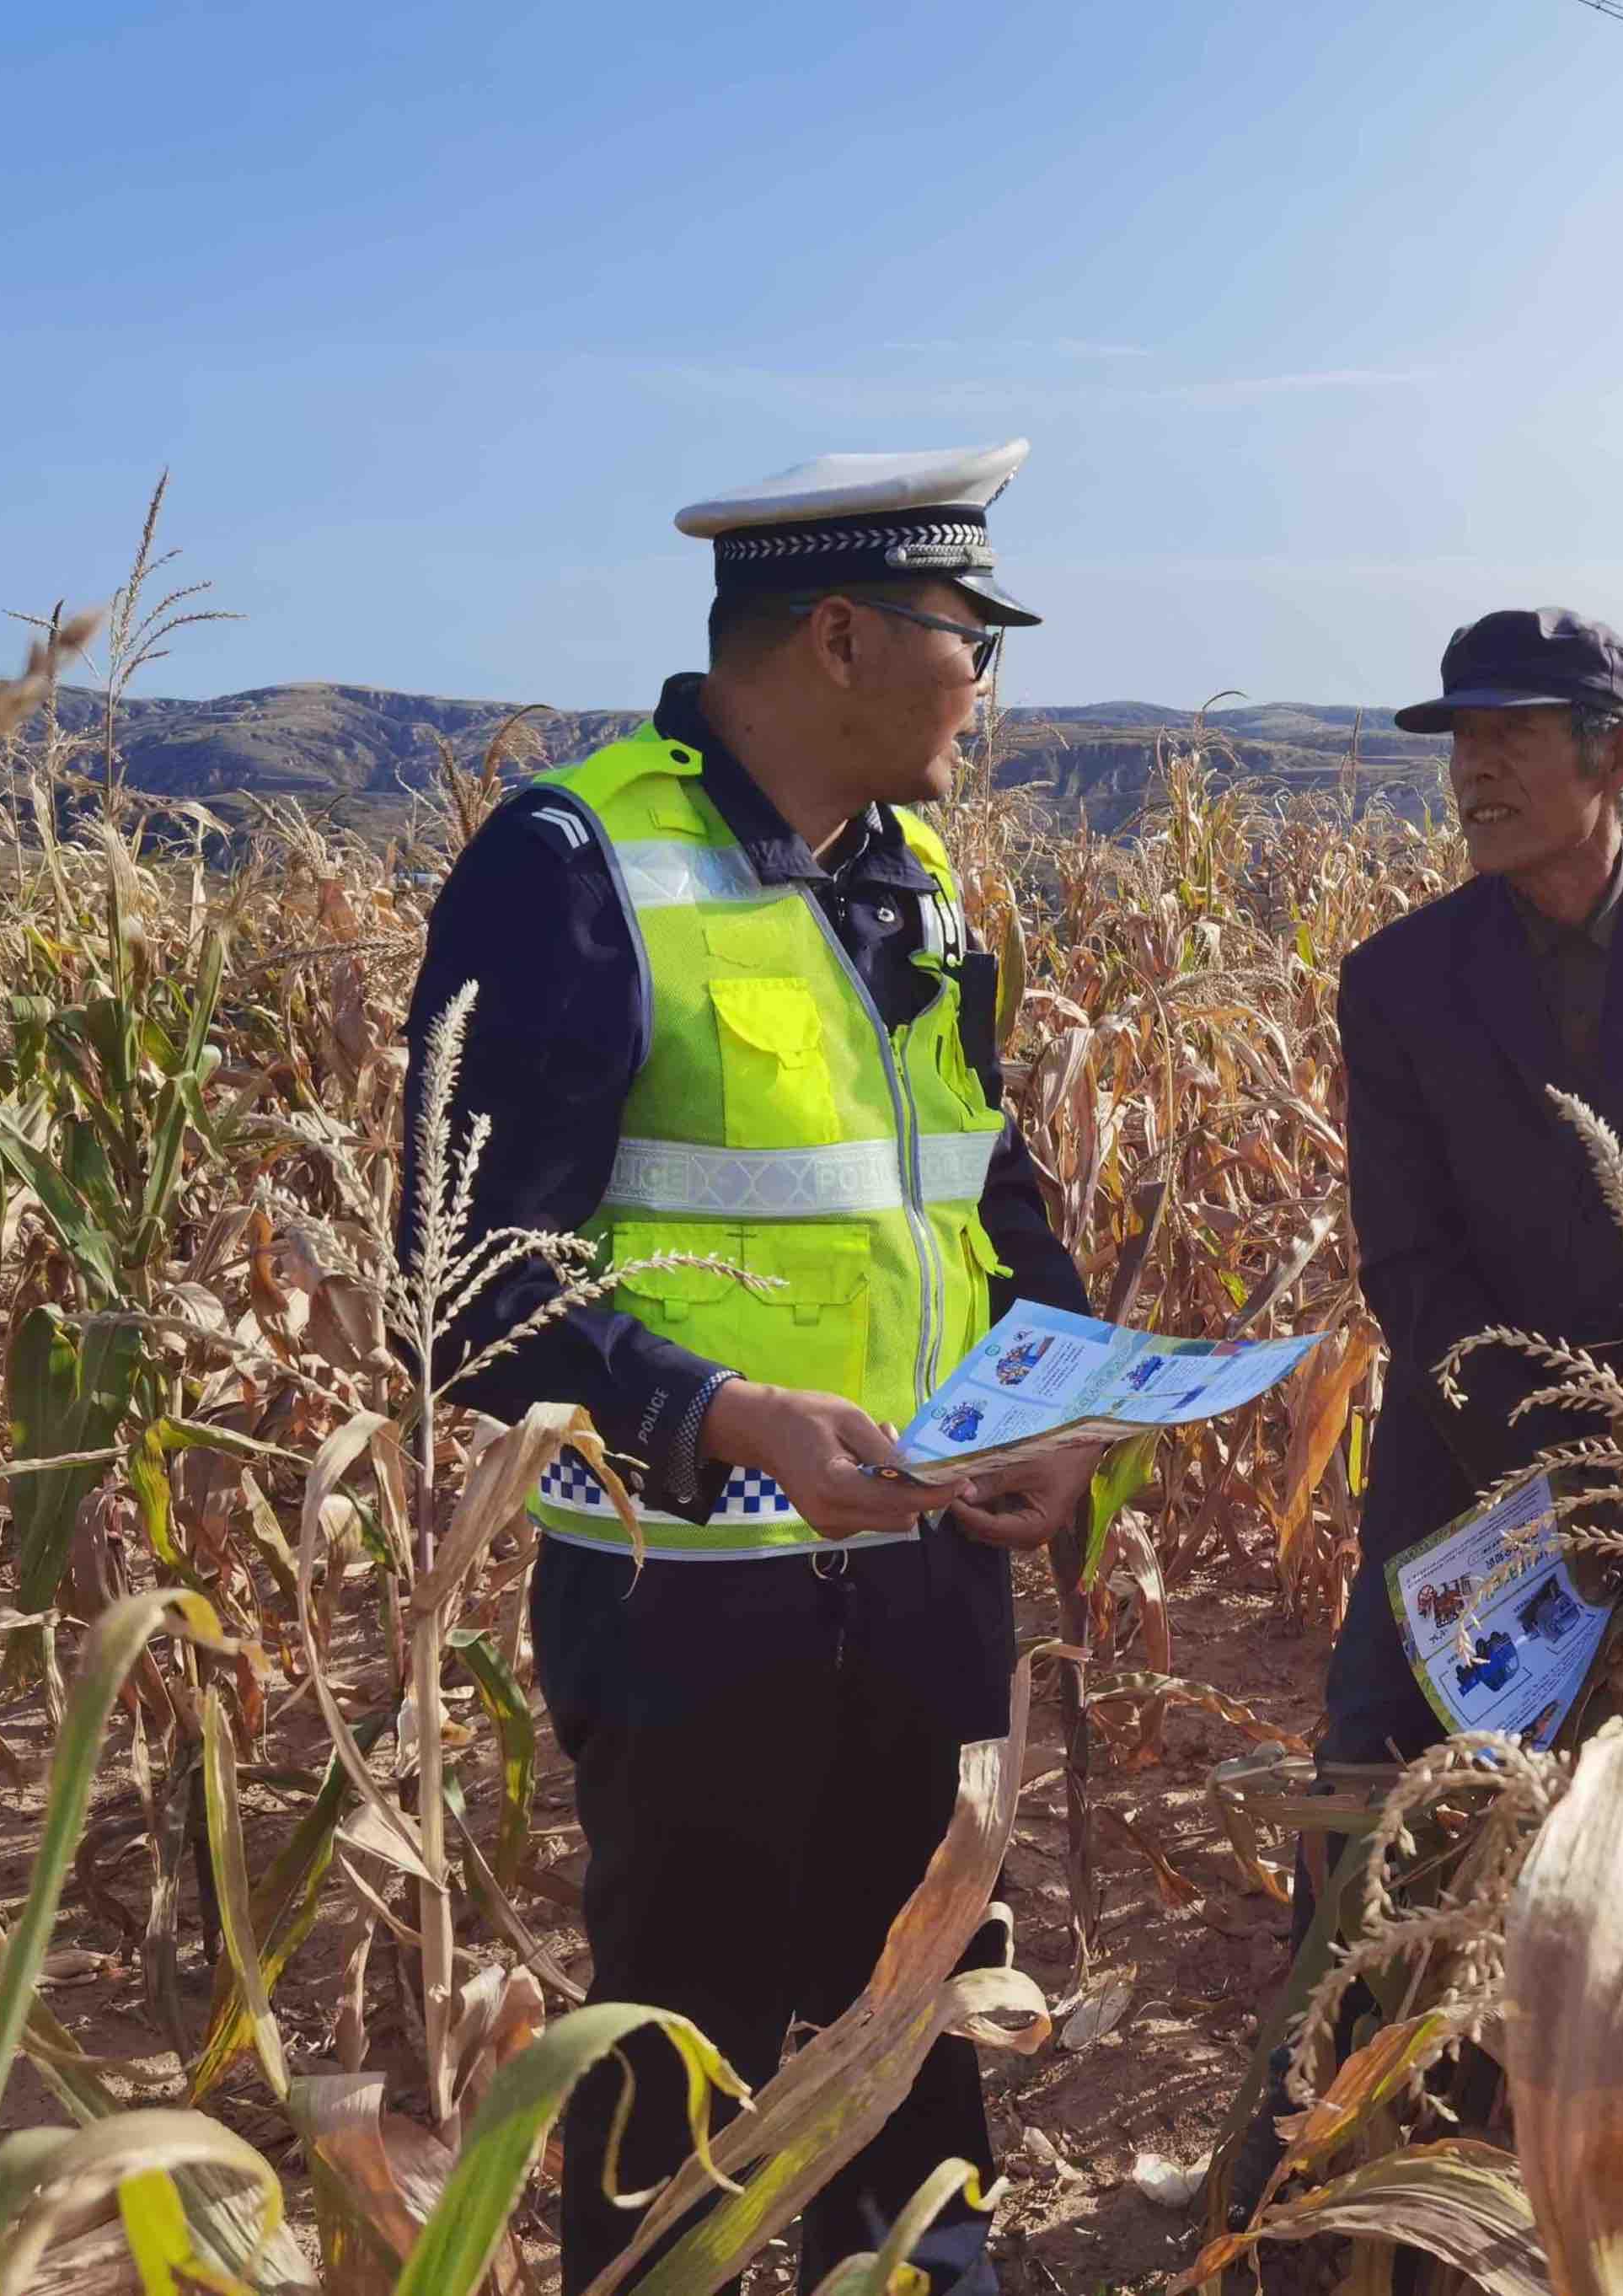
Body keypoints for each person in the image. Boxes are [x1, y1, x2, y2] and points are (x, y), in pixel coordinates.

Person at [396, 442, 1098, 2295]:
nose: (985, 681)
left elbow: (980, 1181)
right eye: (968, 636)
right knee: (679, 2073)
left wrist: (1065, 1396)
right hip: (696, 1597)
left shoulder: (912, 872)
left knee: (919, 2038)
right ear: (843, 638)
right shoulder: (573, 866)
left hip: (926, 1575)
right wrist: (725, 1419)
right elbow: (468, 1277)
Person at [1229, 606, 1623, 2217]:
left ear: (1615, 755)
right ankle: (1308, 2143)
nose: (1473, 770)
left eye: (1510, 736)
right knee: (1379, 1778)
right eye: (1458, 740)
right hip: (1471, 1462)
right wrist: (1559, 1466)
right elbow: (1410, 1267)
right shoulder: (1401, 980)